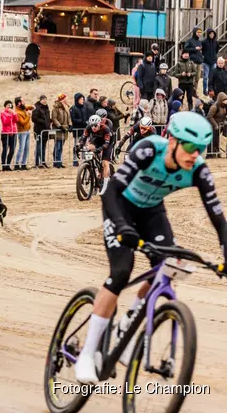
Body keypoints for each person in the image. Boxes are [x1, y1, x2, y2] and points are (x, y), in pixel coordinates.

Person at [74, 112, 227, 383]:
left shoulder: (198, 169)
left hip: (151, 213)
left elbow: (217, 217)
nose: (195, 155)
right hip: (119, 208)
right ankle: (87, 354)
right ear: (172, 142)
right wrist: (122, 227)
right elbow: (110, 191)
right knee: (122, 271)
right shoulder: (148, 149)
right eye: (190, 148)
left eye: (201, 149)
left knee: (171, 266)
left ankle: (127, 322)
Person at [77, 114, 113, 193]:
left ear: (99, 124)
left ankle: (106, 186)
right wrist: (79, 146)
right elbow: (83, 138)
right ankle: (91, 166)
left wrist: (99, 150)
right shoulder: (89, 127)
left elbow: (106, 144)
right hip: (97, 140)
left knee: (105, 163)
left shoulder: (106, 129)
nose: (93, 127)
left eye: (95, 126)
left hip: (107, 143)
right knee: (88, 147)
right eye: (92, 125)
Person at [51, 94, 70, 168]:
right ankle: (56, 162)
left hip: (64, 130)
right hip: (58, 130)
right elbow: (54, 118)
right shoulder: (55, 108)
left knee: (61, 147)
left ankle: (59, 161)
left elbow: (68, 117)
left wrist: (69, 125)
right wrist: (59, 126)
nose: (66, 100)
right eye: (65, 99)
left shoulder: (65, 108)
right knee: (57, 146)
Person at [32, 95, 52, 168]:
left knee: (44, 147)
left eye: (45, 99)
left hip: (45, 130)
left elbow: (48, 118)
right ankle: (37, 162)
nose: (45, 101)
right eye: (43, 99)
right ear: (40, 100)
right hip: (38, 130)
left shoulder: (46, 107)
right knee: (38, 147)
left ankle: (43, 162)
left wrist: (49, 121)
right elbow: (34, 118)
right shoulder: (36, 107)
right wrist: (43, 121)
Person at [14, 96, 33, 170]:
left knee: (26, 148)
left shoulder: (23, 108)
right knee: (21, 148)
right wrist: (29, 116)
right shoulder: (17, 112)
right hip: (22, 132)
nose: (24, 102)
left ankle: (23, 163)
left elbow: (27, 107)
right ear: (19, 103)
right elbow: (23, 123)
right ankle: (17, 163)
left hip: (27, 131)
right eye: (22, 101)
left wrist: (32, 106)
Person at [69, 93, 88, 167]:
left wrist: (86, 122)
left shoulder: (84, 107)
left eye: (83, 99)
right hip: (77, 130)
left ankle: (83, 159)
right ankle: (75, 160)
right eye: (81, 99)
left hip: (84, 130)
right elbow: (73, 120)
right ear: (77, 100)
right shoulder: (73, 108)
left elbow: (86, 117)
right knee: (76, 145)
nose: (82, 100)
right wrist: (82, 121)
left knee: (84, 145)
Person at [207, 92, 227, 157]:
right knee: (212, 141)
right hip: (212, 126)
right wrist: (215, 125)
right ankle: (210, 154)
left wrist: (224, 122)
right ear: (221, 99)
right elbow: (209, 116)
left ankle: (216, 153)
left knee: (216, 141)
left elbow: (223, 117)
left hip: (219, 127)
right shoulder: (214, 107)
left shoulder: (223, 107)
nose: (226, 101)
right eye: (225, 99)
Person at [0, 100, 18, 171]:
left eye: (10, 105)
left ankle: (8, 164)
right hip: (5, 133)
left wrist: (13, 114)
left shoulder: (13, 113)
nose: (9, 107)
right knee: (5, 149)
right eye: (8, 105)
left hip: (13, 133)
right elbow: (5, 122)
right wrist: (9, 116)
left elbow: (16, 120)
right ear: (5, 106)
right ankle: (4, 165)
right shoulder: (2, 113)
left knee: (12, 149)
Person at [202, 29, 219, 94]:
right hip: (206, 62)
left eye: (213, 34)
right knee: (205, 77)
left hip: (213, 62)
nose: (212, 35)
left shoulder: (216, 42)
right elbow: (202, 51)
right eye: (210, 34)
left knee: (212, 77)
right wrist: (206, 56)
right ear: (208, 34)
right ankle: (205, 90)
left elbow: (217, 51)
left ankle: (210, 90)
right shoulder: (204, 42)